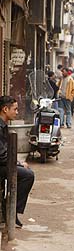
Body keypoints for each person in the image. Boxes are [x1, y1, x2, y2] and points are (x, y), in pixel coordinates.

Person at [0, 96, 35, 228]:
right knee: (28, 175)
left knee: (26, 172)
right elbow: (2, 156)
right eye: (14, 109)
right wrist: (18, 164)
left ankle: (11, 210)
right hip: (2, 165)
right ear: (5, 109)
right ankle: (10, 210)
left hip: (4, 163)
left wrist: (18, 163)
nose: (16, 112)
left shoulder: (4, 125)